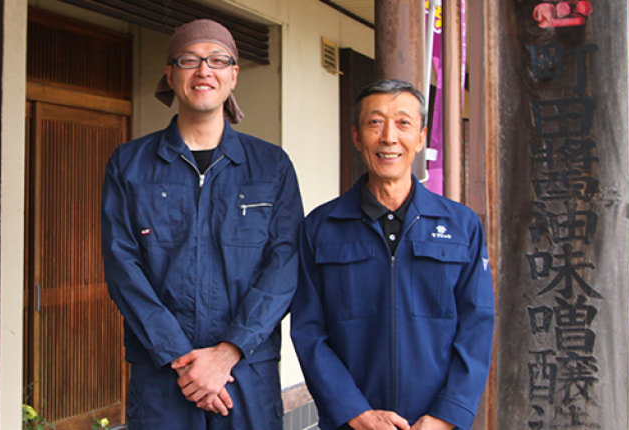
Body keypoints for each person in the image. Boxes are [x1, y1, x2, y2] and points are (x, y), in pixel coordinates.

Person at [101, 19, 303, 429]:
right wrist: (183, 360)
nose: (203, 70)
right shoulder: (130, 164)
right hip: (162, 372)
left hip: (246, 368)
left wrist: (228, 352)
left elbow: (286, 264)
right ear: (170, 74)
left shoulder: (271, 166)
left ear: (233, 75)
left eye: (217, 60)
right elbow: (123, 267)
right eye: (189, 59)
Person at [290, 79, 494, 430]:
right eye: (375, 122)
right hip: (351, 423)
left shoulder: (461, 225)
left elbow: (477, 325)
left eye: (403, 123)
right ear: (356, 136)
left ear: (420, 138)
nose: (388, 137)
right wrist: (354, 412)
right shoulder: (321, 227)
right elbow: (309, 331)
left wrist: (447, 414)